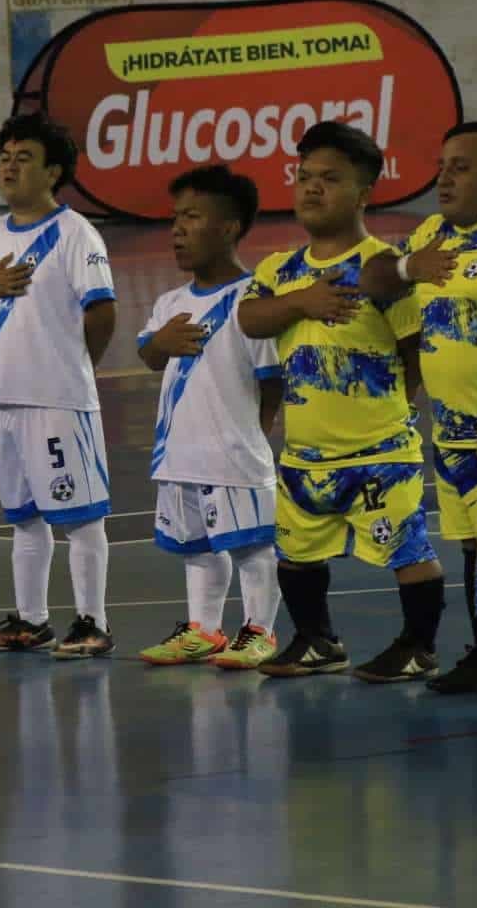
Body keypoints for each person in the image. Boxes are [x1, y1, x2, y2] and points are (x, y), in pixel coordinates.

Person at [239, 120, 446, 682]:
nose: (311, 188)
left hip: (379, 450)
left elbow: (415, 353)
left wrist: (391, 413)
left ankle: (419, 645)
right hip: (305, 453)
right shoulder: (278, 271)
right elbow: (249, 317)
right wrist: (303, 300)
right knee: (297, 554)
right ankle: (315, 639)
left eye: (329, 179)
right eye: (304, 176)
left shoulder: (383, 270)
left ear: (364, 192)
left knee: (407, 551)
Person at [356, 121, 477, 698]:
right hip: (450, 429)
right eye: (443, 164)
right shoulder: (430, 235)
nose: (445, 176)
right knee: (471, 544)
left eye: (462, 166)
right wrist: (406, 269)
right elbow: (372, 280)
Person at [0, 114, 118, 659]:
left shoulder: (75, 234)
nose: (9, 165)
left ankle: (93, 622)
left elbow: (103, 311)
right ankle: (30, 621)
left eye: (24, 157)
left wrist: (75, 368)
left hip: (57, 400)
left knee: (80, 517)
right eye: (5, 155)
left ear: (53, 172)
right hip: (0, 399)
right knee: (23, 519)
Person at [136, 165, 285, 670]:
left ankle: (260, 631)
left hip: (235, 452)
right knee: (196, 547)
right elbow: (151, 355)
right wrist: (160, 343)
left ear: (229, 226)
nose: (177, 228)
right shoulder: (170, 303)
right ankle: (203, 629)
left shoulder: (252, 302)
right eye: (175, 217)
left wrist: (253, 435)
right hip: (179, 453)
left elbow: (273, 380)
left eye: (192, 217)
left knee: (252, 547)